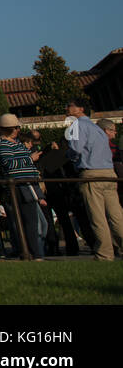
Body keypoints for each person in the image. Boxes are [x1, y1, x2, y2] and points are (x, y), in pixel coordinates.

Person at [65, 97, 123, 261]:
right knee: (116, 215)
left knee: (97, 217)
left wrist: (68, 155)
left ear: (80, 109)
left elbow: (75, 149)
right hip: (109, 173)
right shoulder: (97, 127)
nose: (67, 108)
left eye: (70, 105)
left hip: (91, 173)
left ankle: (104, 253)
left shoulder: (77, 126)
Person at [0, 114, 45, 259]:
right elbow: (9, 163)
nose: (18, 130)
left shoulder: (16, 143)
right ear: (10, 129)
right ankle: (33, 252)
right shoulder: (3, 144)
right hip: (20, 186)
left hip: (27, 183)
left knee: (31, 220)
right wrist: (30, 158)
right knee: (29, 221)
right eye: (16, 128)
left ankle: (33, 251)